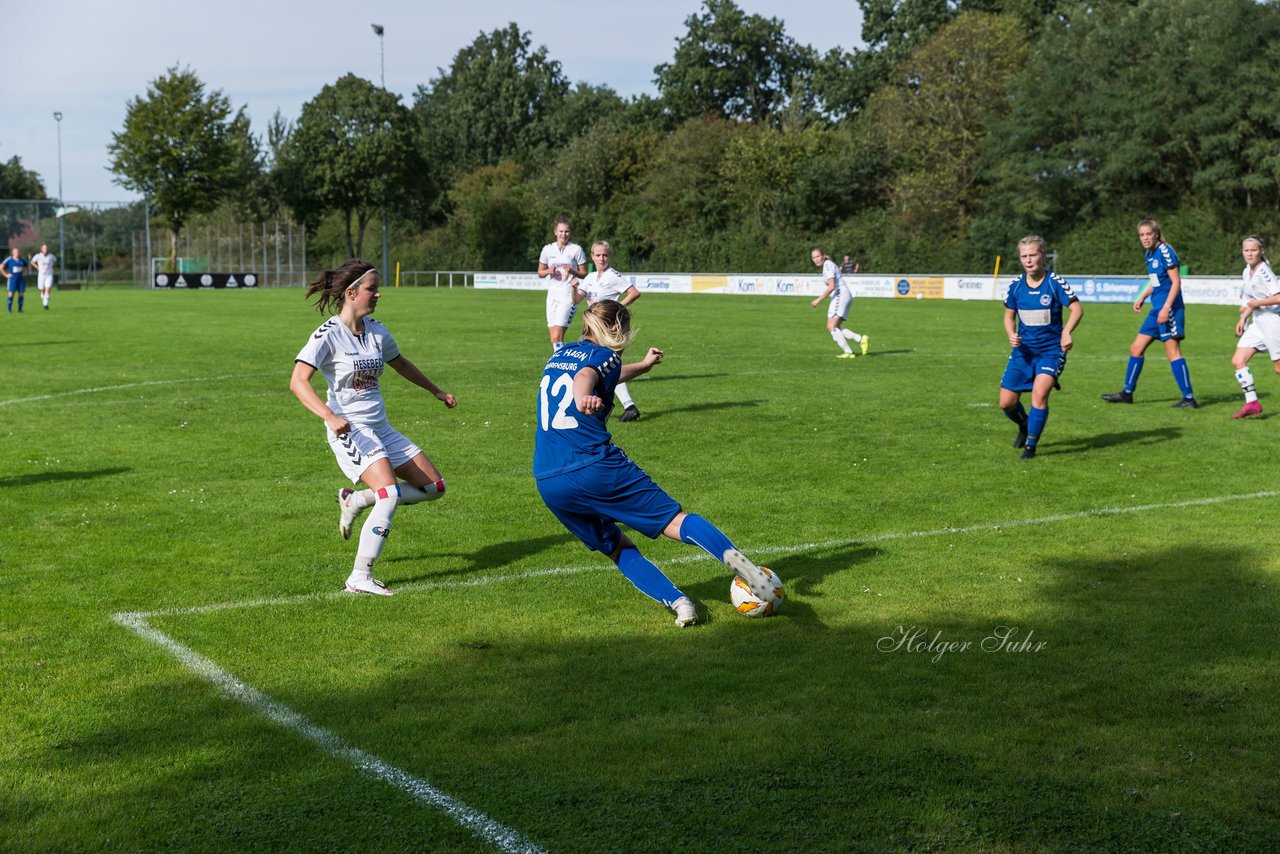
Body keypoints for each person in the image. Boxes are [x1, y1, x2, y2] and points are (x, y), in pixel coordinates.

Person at [533, 299, 777, 627]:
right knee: (674, 521)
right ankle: (747, 570)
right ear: (616, 327)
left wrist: (644, 367)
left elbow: (598, 373)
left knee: (617, 548)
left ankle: (680, 604)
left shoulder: (559, 354)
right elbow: (587, 375)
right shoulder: (602, 356)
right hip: (594, 466)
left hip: (549, 480)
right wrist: (582, 397)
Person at [290, 258, 457, 596]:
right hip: (351, 431)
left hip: (381, 428)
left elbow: (401, 363)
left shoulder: (377, 331)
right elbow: (298, 382)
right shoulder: (327, 335)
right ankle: (359, 576)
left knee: (435, 488)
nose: (378, 294)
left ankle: (356, 500)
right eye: (371, 289)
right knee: (390, 493)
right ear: (351, 293)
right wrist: (330, 416)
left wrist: (435, 390)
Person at [999, 236, 1083, 459]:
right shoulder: (1016, 286)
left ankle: (1030, 447)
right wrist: (1011, 334)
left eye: (1033, 255)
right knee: (1006, 403)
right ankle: (1025, 425)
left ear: (1043, 256)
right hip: (1023, 352)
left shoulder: (1054, 282)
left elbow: (1077, 309)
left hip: (1051, 352)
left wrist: (1066, 332)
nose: (1028, 260)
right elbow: (1008, 316)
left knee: (1039, 395)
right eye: (1024, 256)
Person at [1101, 218, 1197, 407]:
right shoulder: (1149, 253)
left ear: (1156, 234)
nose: (1145, 238)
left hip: (1168, 309)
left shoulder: (1165, 251)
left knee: (1173, 353)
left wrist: (1167, 307)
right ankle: (1127, 393)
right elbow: (1157, 282)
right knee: (1136, 348)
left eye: (1148, 234)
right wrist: (1143, 296)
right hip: (1156, 310)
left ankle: (1189, 398)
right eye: (1142, 235)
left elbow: (1176, 282)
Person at [573, 240, 644, 422]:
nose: (601, 258)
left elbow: (634, 293)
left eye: (605, 255)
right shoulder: (589, 277)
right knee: (606, 367)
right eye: (598, 255)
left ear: (609, 256)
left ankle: (626, 406)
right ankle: (628, 406)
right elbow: (576, 300)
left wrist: (617, 308)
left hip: (611, 327)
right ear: (592, 257)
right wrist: (573, 287)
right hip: (596, 328)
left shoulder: (613, 276)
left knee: (607, 366)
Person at [1229, 235, 1280, 419]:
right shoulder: (1246, 272)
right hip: (1258, 323)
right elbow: (1250, 301)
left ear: (1261, 251)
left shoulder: (1264, 271)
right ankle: (1252, 403)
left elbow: (1278, 297)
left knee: (1278, 369)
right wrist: (1243, 318)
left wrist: (1255, 304)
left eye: (1253, 250)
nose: (1250, 254)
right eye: (1246, 250)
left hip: (1273, 321)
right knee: (1238, 360)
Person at [537, 216, 588, 352]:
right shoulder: (547, 249)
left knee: (557, 336)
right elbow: (540, 273)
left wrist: (571, 270)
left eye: (566, 231)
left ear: (570, 233)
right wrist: (548, 270)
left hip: (568, 295)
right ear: (555, 232)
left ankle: (559, 364)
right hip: (552, 295)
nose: (563, 234)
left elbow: (584, 273)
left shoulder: (576, 249)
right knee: (554, 338)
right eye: (561, 231)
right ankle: (560, 363)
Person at [809, 247, 869, 359]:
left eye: (818, 256)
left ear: (823, 255)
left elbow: (832, 286)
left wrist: (818, 299)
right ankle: (860, 339)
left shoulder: (827, 265)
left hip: (840, 294)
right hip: (840, 295)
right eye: (814, 257)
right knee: (834, 326)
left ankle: (849, 352)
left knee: (831, 326)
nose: (816, 259)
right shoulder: (827, 265)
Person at [30, 243, 56, 310]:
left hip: (49, 275)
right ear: (41, 249)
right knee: (42, 289)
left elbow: (55, 261)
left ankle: (45, 305)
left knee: (47, 289)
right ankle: (44, 297)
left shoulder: (51, 256)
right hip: (41, 275)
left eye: (46, 248)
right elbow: (32, 262)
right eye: (44, 248)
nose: (45, 250)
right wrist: (37, 267)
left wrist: (51, 267)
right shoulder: (38, 256)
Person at [3, 248, 28, 313]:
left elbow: (27, 267)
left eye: (18, 251)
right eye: (16, 251)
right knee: (11, 294)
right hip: (12, 280)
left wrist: (25, 273)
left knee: (21, 294)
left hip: (20, 280)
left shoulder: (22, 260)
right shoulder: (9, 259)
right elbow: (1, 266)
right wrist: (6, 274)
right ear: (13, 252)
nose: (17, 253)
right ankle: (9, 309)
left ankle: (20, 309)